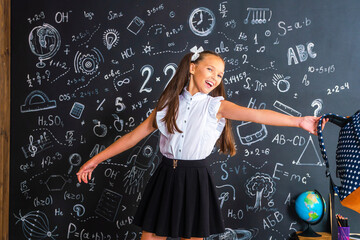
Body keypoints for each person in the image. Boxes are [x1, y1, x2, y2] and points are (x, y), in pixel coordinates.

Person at [77, 46, 327, 240]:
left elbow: (256, 114)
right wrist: (94, 161)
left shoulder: (215, 106)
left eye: (220, 74)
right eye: (210, 70)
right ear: (193, 68)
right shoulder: (167, 105)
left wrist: (299, 121)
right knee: (151, 234)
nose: (216, 77)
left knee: (193, 235)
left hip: (195, 177)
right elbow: (132, 138)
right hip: (165, 175)